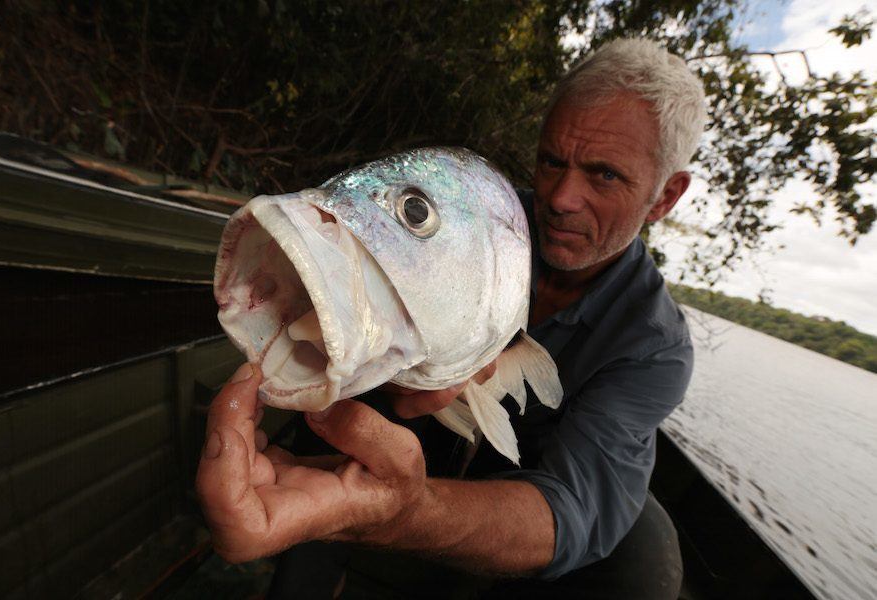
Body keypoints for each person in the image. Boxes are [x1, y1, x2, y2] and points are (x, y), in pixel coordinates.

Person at [196, 37, 707, 598]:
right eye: (551, 161)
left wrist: (404, 511)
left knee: (641, 560)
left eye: (604, 175)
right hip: (397, 424)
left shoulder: (654, 344)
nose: (560, 197)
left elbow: (573, 510)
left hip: (514, 476)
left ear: (664, 197)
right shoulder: (478, 213)